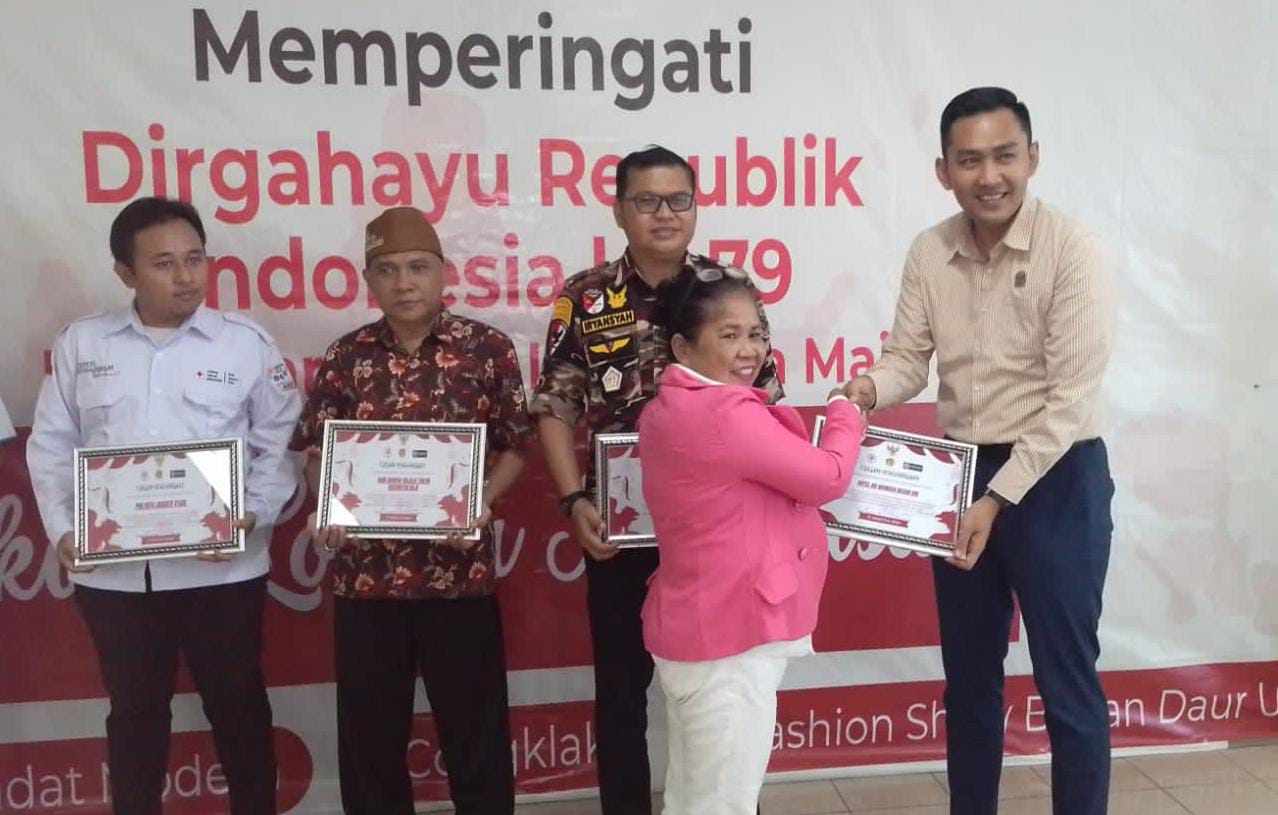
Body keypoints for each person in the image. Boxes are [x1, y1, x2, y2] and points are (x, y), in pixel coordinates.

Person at [845, 87, 1116, 815]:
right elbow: (908, 359)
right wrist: (866, 390)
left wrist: (997, 499)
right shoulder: (930, 250)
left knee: (1067, 682)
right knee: (968, 680)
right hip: (959, 477)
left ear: (1033, 157)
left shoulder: (1075, 250)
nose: (989, 176)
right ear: (944, 170)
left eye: (1004, 156)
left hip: (1057, 478)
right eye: (969, 161)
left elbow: (1069, 401)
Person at [26, 196, 301, 815]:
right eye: (164, 263)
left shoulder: (245, 344)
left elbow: (279, 443)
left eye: (195, 259)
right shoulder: (82, 343)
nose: (185, 277)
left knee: (238, 704)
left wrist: (252, 515)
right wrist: (65, 529)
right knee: (134, 712)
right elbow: (51, 445)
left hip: (223, 571)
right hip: (118, 576)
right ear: (125, 272)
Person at [530, 145, 783, 815]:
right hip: (620, 525)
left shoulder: (727, 289)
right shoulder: (585, 296)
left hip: (717, 531)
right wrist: (572, 499)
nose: (664, 213)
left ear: (696, 206)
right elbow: (555, 406)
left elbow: (766, 397)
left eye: (678, 200)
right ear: (619, 210)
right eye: (647, 200)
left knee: (725, 683)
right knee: (621, 689)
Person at [294, 206, 532, 815]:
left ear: (443, 272)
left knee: (476, 736)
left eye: (418, 267)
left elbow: (515, 446)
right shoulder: (346, 356)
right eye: (388, 270)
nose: (404, 283)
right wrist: (329, 503)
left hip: (460, 578)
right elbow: (319, 452)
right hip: (366, 581)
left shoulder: (486, 350)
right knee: (369, 744)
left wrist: (481, 500)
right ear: (368, 280)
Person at [637, 269, 865, 814]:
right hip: (731, 640)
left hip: (699, 629)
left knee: (692, 799)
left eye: (756, 334)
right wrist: (846, 412)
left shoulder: (667, 406)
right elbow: (827, 476)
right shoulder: (725, 412)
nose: (750, 350)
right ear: (683, 347)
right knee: (723, 803)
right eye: (729, 335)